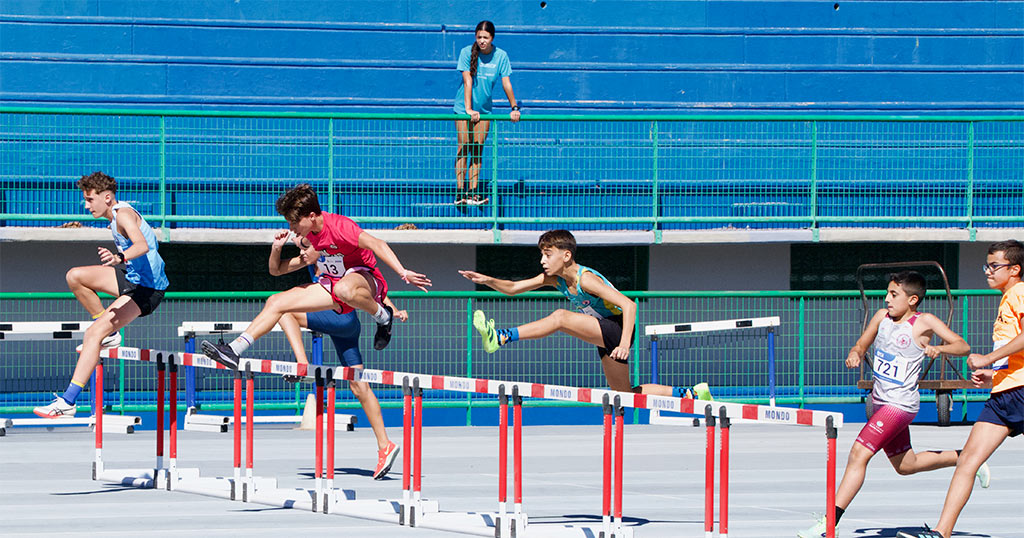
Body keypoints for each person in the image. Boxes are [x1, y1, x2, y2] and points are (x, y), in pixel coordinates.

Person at [797, 271, 986, 538]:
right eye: (887, 293)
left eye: (893, 294)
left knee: (858, 453)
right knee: (906, 466)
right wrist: (855, 353)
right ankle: (966, 458)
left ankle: (830, 522)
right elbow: (862, 344)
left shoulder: (924, 322)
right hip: (879, 401)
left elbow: (963, 346)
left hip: (900, 405)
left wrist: (940, 349)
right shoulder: (880, 317)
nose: (887, 299)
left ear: (912, 299)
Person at [201, 183, 431, 369]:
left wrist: (403, 272)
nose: (291, 227)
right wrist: (279, 247)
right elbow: (278, 270)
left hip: (365, 279)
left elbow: (377, 243)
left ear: (311, 216)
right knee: (276, 302)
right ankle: (234, 350)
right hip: (334, 286)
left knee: (344, 288)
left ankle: (383, 317)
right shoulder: (310, 236)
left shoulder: (340, 227)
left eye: (294, 222)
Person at [459, 229, 711, 399]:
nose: (542, 261)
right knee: (625, 394)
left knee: (560, 317)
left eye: (547, 255)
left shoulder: (586, 279)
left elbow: (629, 305)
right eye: (541, 255)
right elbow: (513, 288)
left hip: (617, 329)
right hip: (603, 331)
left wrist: (624, 344)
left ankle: (501, 337)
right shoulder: (555, 279)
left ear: (566, 256)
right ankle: (691, 393)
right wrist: (487, 280)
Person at [896, 241, 1024, 538]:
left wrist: (987, 359)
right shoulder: (1008, 297)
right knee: (968, 460)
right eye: (986, 265)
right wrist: (994, 374)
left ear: (1015, 269)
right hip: (1004, 395)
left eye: (994, 266)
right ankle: (941, 532)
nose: (988, 271)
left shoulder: (1020, 293)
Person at [272, 232, 406, 480]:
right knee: (359, 385)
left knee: (284, 311)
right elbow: (276, 269)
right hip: (348, 325)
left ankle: (303, 364)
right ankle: (385, 444)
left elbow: (368, 286)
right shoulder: (309, 257)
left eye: (305, 248)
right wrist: (277, 247)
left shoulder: (333, 256)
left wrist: (393, 309)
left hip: (339, 318)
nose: (302, 254)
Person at [34, 172, 169, 418]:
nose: (86, 206)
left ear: (106, 197)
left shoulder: (123, 215)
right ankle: (111, 334)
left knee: (92, 334)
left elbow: (142, 245)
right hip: (132, 278)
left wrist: (119, 257)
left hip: (147, 290)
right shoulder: (115, 217)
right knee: (75, 276)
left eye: (90, 199)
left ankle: (68, 402)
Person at [453, 20, 520, 206]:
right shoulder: (466, 52)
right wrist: (468, 109)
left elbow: (506, 83)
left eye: (486, 37)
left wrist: (514, 107)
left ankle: (473, 192)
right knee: (464, 147)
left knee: (477, 149)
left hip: (484, 111)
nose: (482, 41)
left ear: (492, 38)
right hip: (463, 108)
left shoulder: (501, 56)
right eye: (479, 37)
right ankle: (460, 192)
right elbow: (467, 81)